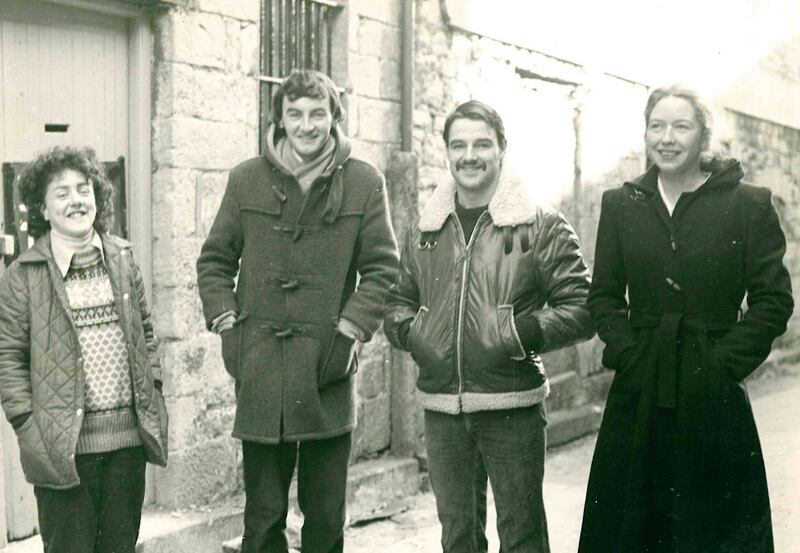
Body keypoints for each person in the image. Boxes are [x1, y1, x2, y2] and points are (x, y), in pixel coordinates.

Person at [578, 85, 794, 553]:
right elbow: (605, 296)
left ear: (703, 136)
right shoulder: (622, 203)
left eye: (681, 126)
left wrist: (722, 365)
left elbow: (774, 301)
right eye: (657, 125)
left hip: (713, 387)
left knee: (714, 527)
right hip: (641, 385)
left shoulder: (747, 203)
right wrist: (630, 354)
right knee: (632, 526)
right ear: (645, 134)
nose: (667, 138)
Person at [196, 69, 399, 553]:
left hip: (326, 369)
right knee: (263, 518)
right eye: (295, 115)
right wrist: (228, 326)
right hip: (260, 368)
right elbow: (215, 260)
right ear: (280, 120)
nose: (306, 125)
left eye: (317, 114)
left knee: (326, 520)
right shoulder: (246, 179)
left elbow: (383, 268)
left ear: (334, 118)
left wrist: (348, 332)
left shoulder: (364, 182)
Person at [384, 100, 594, 553]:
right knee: (457, 536)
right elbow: (398, 302)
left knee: (521, 537)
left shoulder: (540, 225)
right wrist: (417, 333)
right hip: (442, 407)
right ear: (446, 152)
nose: (469, 155)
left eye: (482, 143)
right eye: (458, 145)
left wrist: (518, 334)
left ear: (502, 148)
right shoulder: (426, 229)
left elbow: (582, 307)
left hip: (511, 404)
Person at [0, 146, 168, 553]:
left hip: (126, 447)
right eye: (62, 193)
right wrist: (27, 427)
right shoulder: (23, 276)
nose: (76, 200)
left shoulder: (124, 259)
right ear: (43, 205)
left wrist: (154, 391)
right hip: (62, 452)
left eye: (84, 189)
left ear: (97, 195)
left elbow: (145, 334)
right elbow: (9, 359)